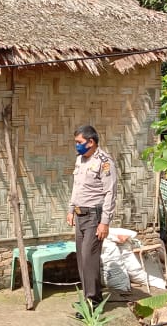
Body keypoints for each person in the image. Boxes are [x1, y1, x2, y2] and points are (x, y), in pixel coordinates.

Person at [66, 125, 118, 311]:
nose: (76, 146)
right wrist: (71, 209)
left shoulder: (104, 162)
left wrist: (105, 222)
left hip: (94, 217)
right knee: (82, 259)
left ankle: (93, 304)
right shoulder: (80, 160)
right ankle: (89, 298)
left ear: (91, 142)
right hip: (80, 216)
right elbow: (76, 187)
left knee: (90, 259)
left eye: (79, 143)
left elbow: (110, 193)